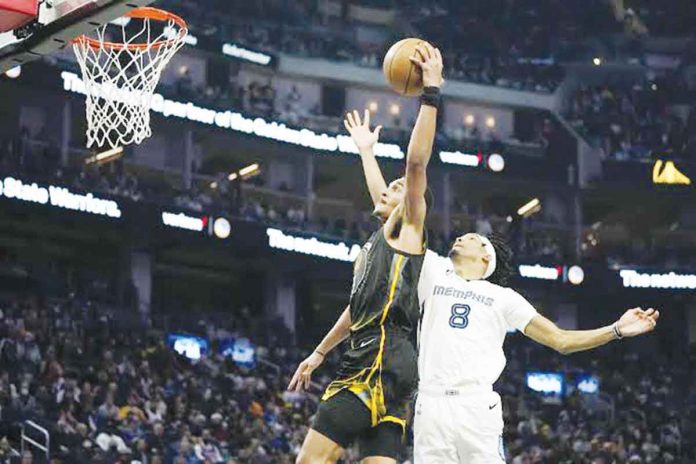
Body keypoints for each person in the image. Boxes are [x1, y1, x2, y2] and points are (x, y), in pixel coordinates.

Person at [289, 43, 444, 464]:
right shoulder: (381, 243)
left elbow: (414, 167)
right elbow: (356, 311)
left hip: (372, 365)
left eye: (396, 191)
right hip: (391, 370)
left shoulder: (409, 230)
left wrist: (431, 94)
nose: (386, 190)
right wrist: (320, 351)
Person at [413, 233, 660, 463]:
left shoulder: (503, 297)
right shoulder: (434, 271)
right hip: (431, 402)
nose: (458, 238)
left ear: (486, 256)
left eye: (470, 238)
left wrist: (615, 329)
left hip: (475, 405)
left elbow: (560, 340)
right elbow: (410, 216)